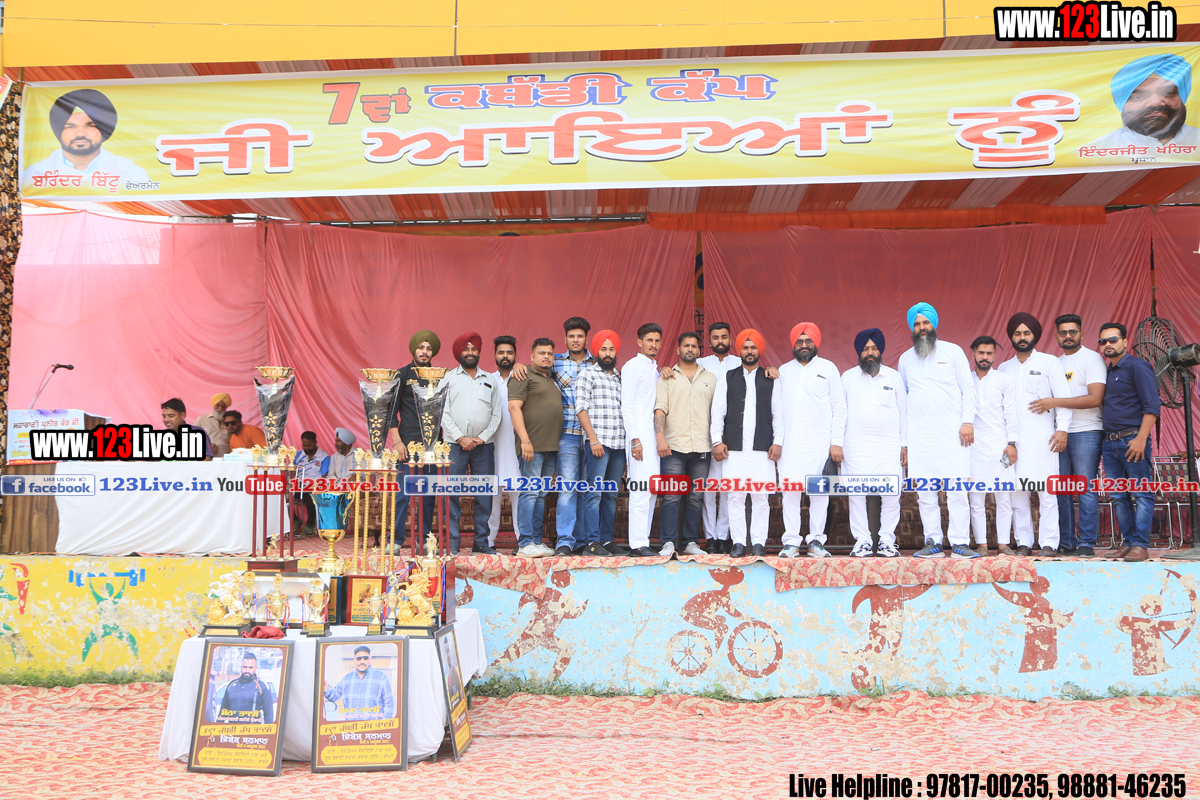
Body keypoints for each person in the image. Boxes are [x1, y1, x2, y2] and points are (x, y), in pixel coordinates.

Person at [898, 302, 977, 559]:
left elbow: (968, 389)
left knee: (957, 491)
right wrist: (905, 442)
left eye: (926, 323)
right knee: (925, 493)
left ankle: (960, 542)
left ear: (934, 324)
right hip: (920, 437)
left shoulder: (953, 352)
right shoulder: (905, 359)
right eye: (917, 324)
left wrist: (967, 422)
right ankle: (932, 541)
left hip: (953, 434)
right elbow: (903, 401)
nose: (922, 328)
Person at [998, 313, 1073, 557]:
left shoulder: (1049, 362)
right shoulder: (1003, 368)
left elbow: (1063, 398)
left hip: (1044, 439)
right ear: (1011, 337)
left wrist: (1062, 429)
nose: (1022, 337)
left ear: (1035, 335)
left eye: (1026, 333)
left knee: (1047, 492)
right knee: (1017, 493)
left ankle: (1049, 543)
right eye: (1017, 333)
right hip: (1013, 442)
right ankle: (1024, 542)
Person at [1033, 315, 1107, 558]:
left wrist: (1055, 402)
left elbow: (1095, 398)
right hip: (1058, 433)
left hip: (1087, 431)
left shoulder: (1091, 358)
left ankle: (1086, 542)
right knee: (1061, 489)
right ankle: (1066, 540)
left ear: (1081, 334)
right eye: (1063, 332)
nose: (1068, 336)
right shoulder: (1054, 362)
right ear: (1056, 336)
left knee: (1084, 487)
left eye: (1072, 332)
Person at [776, 322, 846, 558]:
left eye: (808, 341)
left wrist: (836, 442)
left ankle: (816, 540)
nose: (804, 345)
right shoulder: (783, 371)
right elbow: (776, 410)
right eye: (800, 341)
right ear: (793, 344)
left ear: (815, 343)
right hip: (790, 444)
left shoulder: (828, 368)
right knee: (790, 492)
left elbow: (839, 408)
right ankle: (791, 542)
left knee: (819, 495)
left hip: (819, 443)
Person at [710, 329, 781, 558]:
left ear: (760, 351)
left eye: (753, 347)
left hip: (763, 448)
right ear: (739, 351)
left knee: (761, 497)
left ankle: (758, 543)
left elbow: (778, 414)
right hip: (734, 448)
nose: (749, 351)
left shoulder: (770, 378)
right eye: (745, 347)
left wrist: (778, 441)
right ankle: (738, 542)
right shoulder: (728, 376)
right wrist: (717, 441)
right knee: (735, 496)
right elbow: (718, 412)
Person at [840, 328, 906, 558]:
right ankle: (863, 541)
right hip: (855, 446)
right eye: (865, 349)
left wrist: (905, 444)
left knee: (891, 494)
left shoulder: (894, 377)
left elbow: (904, 413)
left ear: (880, 351)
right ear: (859, 352)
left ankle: (887, 540)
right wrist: (837, 443)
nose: (870, 352)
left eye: (874, 348)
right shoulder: (847, 378)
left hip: (889, 447)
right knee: (856, 495)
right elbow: (839, 413)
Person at [1098, 322, 1161, 562]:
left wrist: (1141, 438)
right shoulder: (1106, 372)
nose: (1108, 344)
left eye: (1113, 339)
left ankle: (1141, 545)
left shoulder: (1137, 366)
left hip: (1132, 440)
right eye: (1103, 341)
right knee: (1118, 496)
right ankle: (1128, 542)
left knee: (1141, 493)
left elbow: (1152, 406)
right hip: (1110, 443)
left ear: (1125, 341)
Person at [654, 331, 717, 558]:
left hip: (702, 446)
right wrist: (660, 438)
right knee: (671, 496)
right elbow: (660, 409)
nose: (690, 349)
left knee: (696, 497)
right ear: (678, 349)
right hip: (673, 446)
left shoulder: (711, 378)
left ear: (699, 350)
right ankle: (668, 543)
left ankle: (690, 541)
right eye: (686, 345)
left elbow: (718, 413)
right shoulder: (667, 377)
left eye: (694, 346)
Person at [442, 332, 502, 555]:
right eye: (466, 349)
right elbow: (442, 412)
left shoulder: (490, 379)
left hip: (483, 446)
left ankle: (481, 543)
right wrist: (460, 437)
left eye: (473, 349)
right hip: (453, 445)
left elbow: (497, 413)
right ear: (459, 353)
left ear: (478, 352)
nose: (470, 352)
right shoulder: (448, 378)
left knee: (484, 495)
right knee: (451, 494)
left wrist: (482, 438)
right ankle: (452, 544)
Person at [21, 89, 151, 189]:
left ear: (104, 130)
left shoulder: (131, 173)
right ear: (58, 131)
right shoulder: (35, 174)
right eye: (70, 126)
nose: (80, 133)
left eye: (90, 125)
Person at [508, 338, 564, 558]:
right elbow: (514, 408)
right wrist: (525, 440)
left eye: (549, 353)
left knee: (540, 494)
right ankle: (525, 543)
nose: (546, 357)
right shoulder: (522, 375)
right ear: (532, 356)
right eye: (541, 353)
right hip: (531, 445)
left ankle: (536, 541)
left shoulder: (551, 378)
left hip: (550, 447)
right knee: (530, 493)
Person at [576, 329, 629, 557]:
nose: (607, 353)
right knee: (594, 493)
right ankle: (591, 542)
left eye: (611, 349)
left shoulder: (619, 377)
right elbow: (581, 409)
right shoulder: (587, 374)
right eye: (603, 349)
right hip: (598, 444)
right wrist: (593, 439)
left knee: (610, 495)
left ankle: (607, 541)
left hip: (619, 445)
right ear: (596, 352)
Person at [388, 330, 441, 549]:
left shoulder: (440, 376)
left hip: (433, 445)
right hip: (407, 444)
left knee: (428, 496)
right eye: (421, 347)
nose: (425, 352)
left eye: (429, 348)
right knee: (403, 494)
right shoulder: (401, 375)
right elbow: (391, 411)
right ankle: (395, 540)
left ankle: (424, 540)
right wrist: (397, 441)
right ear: (414, 350)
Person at [966, 336, 1018, 558]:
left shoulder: (1004, 380)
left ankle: (1004, 544)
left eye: (989, 353)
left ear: (995, 356)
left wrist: (1012, 443)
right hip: (972, 448)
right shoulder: (964, 381)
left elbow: (1011, 413)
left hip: (1000, 447)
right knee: (976, 499)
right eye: (981, 353)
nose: (985, 357)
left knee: (1003, 498)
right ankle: (982, 545)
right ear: (973, 354)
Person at [1086, 53, 1199, 150]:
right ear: (1121, 104)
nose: (1156, 102)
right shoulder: (1096, 150)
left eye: (1168, 93)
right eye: (1138, 97)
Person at [551, 318, 595, 555]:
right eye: (571, 336)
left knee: (587, 489)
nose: (575, 340)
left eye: (580, 336)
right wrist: (519, 366)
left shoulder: (597, 364)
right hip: (566, 433)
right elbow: (534, 371)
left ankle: (583, 541)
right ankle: (565, 541)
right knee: (568, 489)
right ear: (565, 338)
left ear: (586, 338)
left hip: (592, 437)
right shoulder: (555, 362)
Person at [622, 323, 664, 557]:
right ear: (639, 342)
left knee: (651, 490)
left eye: (657, 341)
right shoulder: (632, 366)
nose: (653, 345)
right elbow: (627, 404)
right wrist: (634, 439)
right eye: (649, 340)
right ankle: (637, 544)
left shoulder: (654, 368)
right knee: (640, 490)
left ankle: (643, 540)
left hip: (653, 436)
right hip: (639, 436)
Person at [486, 336, 521, 552]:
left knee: (520, 496)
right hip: (492, 445)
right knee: (492, 496)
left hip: (517, 445)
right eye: (501, 352)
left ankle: (523, 540)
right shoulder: (487, 379)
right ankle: (488, 541)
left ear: (515, 355)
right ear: (495, 356)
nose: (505, 356)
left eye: (509, 352)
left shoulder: (522, 377)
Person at [323, 644, 396, 721]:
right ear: (354, 660)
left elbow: (389, 704)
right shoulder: (346, 679)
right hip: (351, 727)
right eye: (359, 658)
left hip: (373, 727)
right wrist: (325, 687)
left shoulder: (381, 678)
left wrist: (385, 725)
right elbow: (334, 696)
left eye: (365, 658)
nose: (362, 661)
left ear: (370, 660)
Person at [217, 651, 275, 725]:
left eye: (250, 668)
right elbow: (222, 712)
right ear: (241, 667)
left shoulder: (262, 686)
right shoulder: (231, 685)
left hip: (252, 731)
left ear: (255, 668)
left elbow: (268, 713)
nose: (247, 670)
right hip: (233, 730)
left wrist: (268, 731)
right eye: (245, 667)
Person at [293, 431, 330, 536]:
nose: (306, 448)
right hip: (299, 485)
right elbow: (292, 471)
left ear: (315, 443)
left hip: (315, 486)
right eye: (304, 445)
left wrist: (316, 486)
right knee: (283, 495)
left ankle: (310, 522)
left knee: (309, 496)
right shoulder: (298, 455)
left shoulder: (324, 456)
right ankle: (295, 520)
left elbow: (324, 476)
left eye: (309, 445)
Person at [196, 393, 232, 457]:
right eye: (217, 405)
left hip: (227, 459)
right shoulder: (202, 419)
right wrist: (207, 447)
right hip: (207, 458)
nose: (220, 408)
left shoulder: (230, 422)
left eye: (223, 406)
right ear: (213, 405)